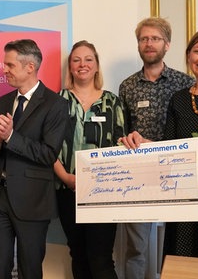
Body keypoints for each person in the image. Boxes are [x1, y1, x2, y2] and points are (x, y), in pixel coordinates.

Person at [122, 28, 198, 262]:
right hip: (187, 198)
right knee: (186, 265)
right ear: (189, 56)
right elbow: (169, 146)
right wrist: (142, 143)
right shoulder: (179, 98)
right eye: (197, 51)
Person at [0, 39, 69, 279]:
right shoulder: (3, 101)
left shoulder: (56, 105)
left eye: (10, 65)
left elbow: (48, 154)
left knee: (29, 270)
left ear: (30, 67)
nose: (5, 69)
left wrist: (10, 135)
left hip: (32, 201)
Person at [118, 17, 195, 279]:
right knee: (136, 248)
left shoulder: (185, 83)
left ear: (167, 44)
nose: (148, 43)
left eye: (155, 38)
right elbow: (123, 131)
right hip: (138, 177)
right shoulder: (127, 86)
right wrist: (125, 140)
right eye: (143, 39)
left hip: (178, 173)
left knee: (178, 247)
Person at [55, 40, 126, 279]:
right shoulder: (56, 101)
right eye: (76, 60)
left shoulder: (112, 101)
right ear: (70, 67)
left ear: (96, 66)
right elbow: (48, 147)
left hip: (104, 191)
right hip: (67, 188)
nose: (82, 64)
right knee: (78, 254)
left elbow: (120, 144)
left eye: (88, 59)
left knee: (101, 258)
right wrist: (65, 177)